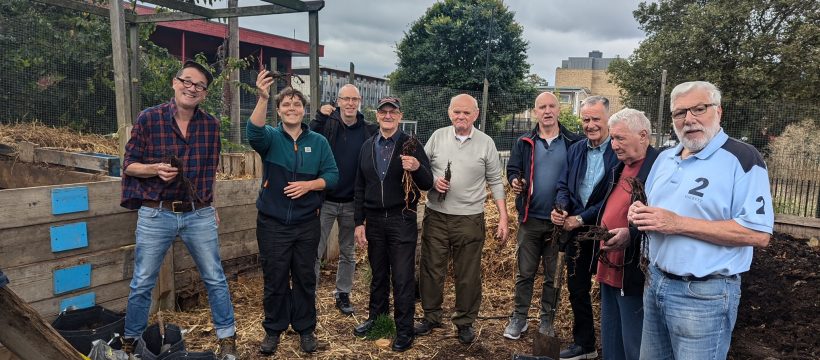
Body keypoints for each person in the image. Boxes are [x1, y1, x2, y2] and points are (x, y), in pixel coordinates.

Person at [628, 81, 773, 359]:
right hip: (656, 281)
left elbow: (757, 234)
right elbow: (654, 210)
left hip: (704, 295)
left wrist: (678, 224)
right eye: (680, 113)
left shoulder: (742, 158)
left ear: (718, 111)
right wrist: (638, 214)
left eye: (699, 109)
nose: (689, 119)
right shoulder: (666, 158)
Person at [120, 60, 236, 357]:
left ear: (205, 93)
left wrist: (212, 204)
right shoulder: (149, 119)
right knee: (143, 280)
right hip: (156, 212)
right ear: (175, 82)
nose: (191, 88)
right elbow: (129, 165)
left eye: (199, 85)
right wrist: (154, 169)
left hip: (199, 214)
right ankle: (130, 342)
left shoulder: (210, 125)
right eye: (187, 81)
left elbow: (210, 171)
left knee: (214, 276)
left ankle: (227, 340)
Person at [247, 71, 339, 355]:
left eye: (296, 104)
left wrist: (311, 185)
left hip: (306, 223)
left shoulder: (319, 142)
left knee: (304, 277)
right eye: (286, 104)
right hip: (273, 223)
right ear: (278, 110)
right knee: (274, 278)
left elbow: (333, 176)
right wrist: (263, 97)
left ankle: (305, 329)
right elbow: (253, 133)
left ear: (304, 110)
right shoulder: (271, 138)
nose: (291, 108)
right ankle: (273, 329)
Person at [415, 94, 510, 344]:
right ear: (449, 113)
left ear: (475, 115)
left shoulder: (486, 143)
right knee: (431, 269)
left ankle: (465, 321)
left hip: (469, 219)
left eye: (466, 113)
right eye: (457, 112)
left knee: (467, 274)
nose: (461, 117)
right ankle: (431, 316)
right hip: (436, 215)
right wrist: (434, 182)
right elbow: (422, 170)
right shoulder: (437, 137)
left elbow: (496, 181)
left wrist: (503, 216)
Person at [351, 97, 433, 352]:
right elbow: (359, 186)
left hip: (401, 218)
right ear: (377, 116)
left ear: (400, 115)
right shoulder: (367, 146)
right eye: (383, 112)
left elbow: (428, 182)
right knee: (378, 275)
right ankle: (377, 318)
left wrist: (417, 166)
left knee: (402, 277)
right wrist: (358, 222)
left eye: (392, 112)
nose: (388, 116)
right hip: (374, 220)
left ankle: (404, 330)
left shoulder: (410, 144)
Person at [503, 92, 581, 340]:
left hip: (559, 223)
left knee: (553, 275)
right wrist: (516, 181)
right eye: (542, 107)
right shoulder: (524, 141)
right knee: (524, 273)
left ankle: (547, 320)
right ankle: (519, 318)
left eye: (551, 106)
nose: (547, 111)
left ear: (559, 110)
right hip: (530, 219)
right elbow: (513, 169)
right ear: (535, 112)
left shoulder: (573, 142)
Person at [551, 95, 619, 360]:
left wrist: (581, 218)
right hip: (577, 235)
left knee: (610, 291)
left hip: (606, 232)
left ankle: (615, 346)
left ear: (608, 121)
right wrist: (561, 208)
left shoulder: (617, 151)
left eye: (596, 120)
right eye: (586, 119)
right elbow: (563, 185)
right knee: (577, 289)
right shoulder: (577, 149)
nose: (590, 125)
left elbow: (611, 197)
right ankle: (585, 344)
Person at [593, 108, 659, 360]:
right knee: (611, 338)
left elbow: (661, 216)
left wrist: (631, 234)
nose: (613, 144)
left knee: (635, 343)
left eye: (620, 138)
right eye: (612, 138)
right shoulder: (619, 167)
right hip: (609, 266)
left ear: (643, 136)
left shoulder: (657, 168)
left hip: (632, 271)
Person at [310, 84, 378, 316]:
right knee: (314, 251)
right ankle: (308, 295)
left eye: (354, 99)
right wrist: (320, 115)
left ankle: (343, 293)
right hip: (325, 199)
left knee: (348, 252)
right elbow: (308, 135)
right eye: (345, 99)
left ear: (359, 102)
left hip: (352, 202)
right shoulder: (327, 124)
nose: (350, 103)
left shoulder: (369, 130)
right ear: (337, 101)